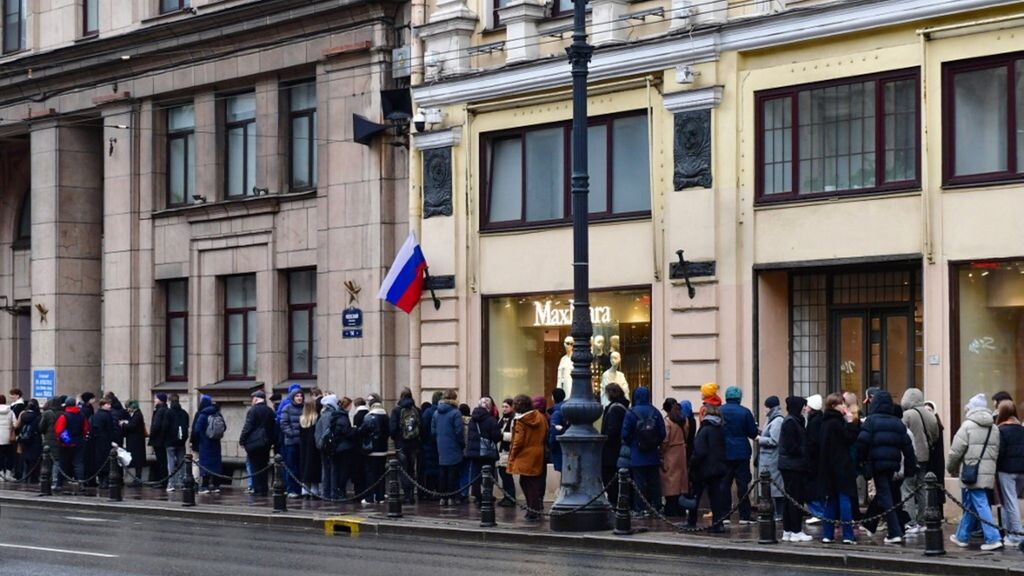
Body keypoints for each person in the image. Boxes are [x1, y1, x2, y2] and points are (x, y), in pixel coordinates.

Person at [856, 390, 916, 544]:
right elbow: (908, 448)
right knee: (889, 495)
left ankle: (894, 531)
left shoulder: (870, 421)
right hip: (893, 465)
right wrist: (909, 468)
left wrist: (861, 462)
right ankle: (873, 524)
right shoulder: (897, 423)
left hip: (877, 463)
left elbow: (862, 443)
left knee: (885, 496)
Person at [948, 393, 1003, 551]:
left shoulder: (967, 426)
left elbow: (955, 452)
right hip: (987, 472)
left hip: (971, 472)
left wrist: (951, 468)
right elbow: (996, 451)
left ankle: (993, 538)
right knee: (972, 505)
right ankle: (962, 536)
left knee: (980, 504)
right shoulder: (994, 428)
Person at [817, 393, 860, 544]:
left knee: (831, 501)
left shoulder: (825, 422)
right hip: (841, 467)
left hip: (828, 468)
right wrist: (851, 422)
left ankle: (827, 534)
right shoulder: (837, 423)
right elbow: (849, 439)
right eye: (842, 404)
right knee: (844, 500)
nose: (845, 407)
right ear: (835, 405)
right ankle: (847, 535)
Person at [900, 388, 940, 535]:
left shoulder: (908, 415)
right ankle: (923, 520)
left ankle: (910, 522)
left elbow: (901, 434)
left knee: (908, 488)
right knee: (923, 488)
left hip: (910, 456)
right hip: (925, 456)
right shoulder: (930, 415)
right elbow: (935, 436)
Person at [622, 386, 667, 515]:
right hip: (653, 454)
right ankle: (657, 507)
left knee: (639, 483)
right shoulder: (655, 412)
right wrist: (654, 442)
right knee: (655, 482)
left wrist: (633, 443)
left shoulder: (631, 413)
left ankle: (640, 509)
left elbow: (625, 434)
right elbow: (663, 433)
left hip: (637, 453)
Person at [720, 386, 758, 525]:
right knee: (743, 485)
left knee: (724, 485)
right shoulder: (745, 412)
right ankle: (744, 515)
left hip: (724, 452)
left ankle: (724, 515)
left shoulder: (720, 411)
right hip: (741, 452)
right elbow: (752, 432)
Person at [508, 394, 548, 521]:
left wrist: (512, 455)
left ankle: (532, 510)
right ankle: (535, 507)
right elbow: (547, 431)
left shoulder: (521, 421)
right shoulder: (540, 416)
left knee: (526, 482)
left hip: (525, 454)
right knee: (534, 483)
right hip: (538, 452)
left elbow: (518, 441)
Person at [778, 396, 812, 543]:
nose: (805, 408)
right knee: (795, 498)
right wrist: (804, 450)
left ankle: (789, 530)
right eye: (803, 406)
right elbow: (792, 447)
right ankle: (795, 530)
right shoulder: (792, 422)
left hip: (790, 465)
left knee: (790, 498)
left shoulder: (792, 421)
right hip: (793, 465)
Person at [690, 403, 728, 532]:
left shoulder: (705, 429)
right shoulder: (719, 428)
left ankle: (691, 521)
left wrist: (693, 464)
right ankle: (718, 524)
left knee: (695, 495)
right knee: (716, 498)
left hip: (704, 468)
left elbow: (699, 451)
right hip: (718, 467)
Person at [996, 400, 1024, 546]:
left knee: (1010, 502)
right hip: (1021, 469)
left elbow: (999, 452)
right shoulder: (1021, 428)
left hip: (1006, 469)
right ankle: (1009, 533)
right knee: (1010, 502)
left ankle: (1017, 537)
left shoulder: (1001, 430)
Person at [239, 390, 276, 497]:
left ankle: (257, 489)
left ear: (255, 399)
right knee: (263, 465)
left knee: (254, 466)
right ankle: (263, 488)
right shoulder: (269, 410)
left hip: (254, 443)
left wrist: (242, 440)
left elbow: (248, 426)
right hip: (266, 443)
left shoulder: (253, 410)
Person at [466, 397, 502, 505]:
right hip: (487, 452)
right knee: (488, 474)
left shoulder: (472, 419)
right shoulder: (491, 419)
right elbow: (496, 437)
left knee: (476, 474)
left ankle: (477, 496)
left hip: (475, 451)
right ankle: (487, 495)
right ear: (489, 407)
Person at [432, 389, 465, 507]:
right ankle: (451, 497)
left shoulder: (436, 412)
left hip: (441, 445)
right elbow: (459, 431)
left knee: (443, 471)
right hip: (454, 445)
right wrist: (462, 444)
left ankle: (443, 497)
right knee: (453, 472)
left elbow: (433, 431)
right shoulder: (456, 413)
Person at [389, 387, 421, 505]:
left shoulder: (397, 411)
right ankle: (411, 495)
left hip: (401, 444)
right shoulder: (417, 410)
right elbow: (421, 427)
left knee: (403, 470)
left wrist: (397, 438)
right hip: (414, 445)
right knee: (412, 470)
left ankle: (407, 495)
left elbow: (392, 429)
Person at [601, 383, 629, 505]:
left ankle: (614, 501)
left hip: (612, 451)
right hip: (617, 449)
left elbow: (612, 430)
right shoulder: (622, 407)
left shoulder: (615, 408)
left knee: (609, 476)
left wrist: (604, 440)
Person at [660, 398, 688, 517]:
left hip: (670, 453)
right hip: (681, 452)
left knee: (670, 483)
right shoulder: (684, 420)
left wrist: (661, 452)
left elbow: (665, 440)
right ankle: (680, 509)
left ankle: (671, 510)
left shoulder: (667, 422)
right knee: (680, 482)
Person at [758, 396, 785, 521]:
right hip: (768, 459)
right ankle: (775, 513)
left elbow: (774, 440)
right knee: (771, 488)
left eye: (766, 407)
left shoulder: (777, 421)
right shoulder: (771, 419)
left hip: (772, 459)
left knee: (775, 489)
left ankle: (778, 513)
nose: (765, 409)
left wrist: (759, 439)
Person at [360, 393, 390, 504]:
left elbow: (362, 431)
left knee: (370, 475)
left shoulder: (368, 417)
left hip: (371, 450)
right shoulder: (386, 416)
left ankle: (369, 497)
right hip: (383, 450)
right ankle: (380, 496)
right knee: (380, 474)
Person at [191, 395, 224, 494]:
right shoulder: (218, 414)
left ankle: (205, 486)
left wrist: (199, 438)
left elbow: (196, 429)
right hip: (216, 443)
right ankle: (216, 485)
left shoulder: (203, 414)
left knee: (205, 465)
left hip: (205, 444)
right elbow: (224, 427)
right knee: (216, 464)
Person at [54, 397, 89, 488]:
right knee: (79, 463)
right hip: (79, 441)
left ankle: (59, 483)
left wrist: (64, 440)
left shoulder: (64, 416)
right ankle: (81, 483)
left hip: (66, 443)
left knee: (63, 463)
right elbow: (85, 429)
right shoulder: (82, 415)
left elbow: (59, 430)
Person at [803, 394, 825, 523]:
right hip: (818, 461)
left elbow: (812, 443)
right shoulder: (819, 420)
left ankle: (818, 513)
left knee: (812, 489)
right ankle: (820, 512)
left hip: (813, 461)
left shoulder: (814, 422)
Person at [279, 387, 305, 498]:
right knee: (291, 466)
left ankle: (300, 489)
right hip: (291, 442)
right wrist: (293, 433)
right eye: (297, 396)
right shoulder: (287, 408)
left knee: (301, 466)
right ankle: (291, 489)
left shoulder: (304, 408)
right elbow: (284, 424)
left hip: (302, 443)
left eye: (301, 396)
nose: (299, 398)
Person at [420, 391, 444, 499]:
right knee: (439, 470)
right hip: (440, 445)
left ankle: (430, 492)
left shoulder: (428, 412)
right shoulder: (442, 412)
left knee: (430, 471)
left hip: (428, 445)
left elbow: (424, 429)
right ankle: (439, 492)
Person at [165, 393, 190, 492]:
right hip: (181, 442)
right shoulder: (184, 413)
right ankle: (184, 483)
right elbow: (187, 426)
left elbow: (165, 427)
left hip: (170, 442)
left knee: (171, 462)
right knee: (181, 463)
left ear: (170, 401)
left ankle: (171, 484)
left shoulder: (168, 413)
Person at [90, 398, 116, 489]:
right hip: (105, 441)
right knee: (106, 462)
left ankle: (101, 481)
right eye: (108, 404)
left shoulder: (96, 415)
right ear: (103, 405)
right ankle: (104, 481)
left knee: (99, 461)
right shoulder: (107, 415)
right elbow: (110, 429)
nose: (110, 406)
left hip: (97, 442)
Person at [14, 399, 41, 484]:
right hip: (35, 439)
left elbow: (17, 426)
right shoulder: (38, 416)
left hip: (24, 439)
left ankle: (24, 477)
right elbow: (40, 428)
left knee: (24, 458)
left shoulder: (23, 415)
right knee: (34, 460)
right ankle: (33, 478)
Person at [299, 396, 321, 498]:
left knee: (304, 466)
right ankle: (314, 490)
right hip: (313, 447)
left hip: (303, 446)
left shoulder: (302, 419)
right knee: (314, 467)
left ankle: (305, 490)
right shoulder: (316, 417)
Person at [497, 397, 517, 507]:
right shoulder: (502, 419)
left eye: (506, 407)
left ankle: (510, 497)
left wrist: (501, 435)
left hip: (507, 451)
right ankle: (506, 496)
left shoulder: (513, 419)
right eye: (503, 406)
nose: (504, 409)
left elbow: (515, 435)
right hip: (501, 451)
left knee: (506, 475)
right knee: (503, 474)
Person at [39, 397, 62, 487]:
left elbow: (41, 427)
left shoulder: (47, 413)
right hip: (59, 439)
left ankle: (44, 479)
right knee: (57, 460)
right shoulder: (62, 413)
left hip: (48, 438)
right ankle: (55, 480)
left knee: (46, 459)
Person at [122, 400, 147, 486]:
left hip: (137, 441)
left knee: (137, 461)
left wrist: (123, 424)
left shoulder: (137, 415)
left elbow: (132, 426)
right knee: (137, 461)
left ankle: (138, 479)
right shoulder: (136, 414)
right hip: (136, 441)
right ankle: (137, 478)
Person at [149, 393, 169, 488]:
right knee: (163, 461)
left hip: (158, 440)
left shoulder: (159, 411)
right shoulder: (165, 409)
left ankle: (162, 481)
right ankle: (163, 480)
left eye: (156, 398)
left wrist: (151, 436)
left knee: (161, 461)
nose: (155, 400)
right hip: (163, 440)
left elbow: (156, 426)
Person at [350, 397, 369, 497]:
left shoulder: (357, 416)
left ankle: (359, 492)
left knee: (358, 471)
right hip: (368, 446)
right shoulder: (368, 413)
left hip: (358, 447)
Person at [548, 388, 567, 479]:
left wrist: (551, 445)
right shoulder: (567, 409)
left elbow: (554, 432)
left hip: (559, 447)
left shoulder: (556, 412)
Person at [0, 395, 15, 480]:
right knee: (9, 456)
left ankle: (1, 475)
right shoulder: (10, 411)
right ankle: (8, 474)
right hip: (8, 437)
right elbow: (15, 423)